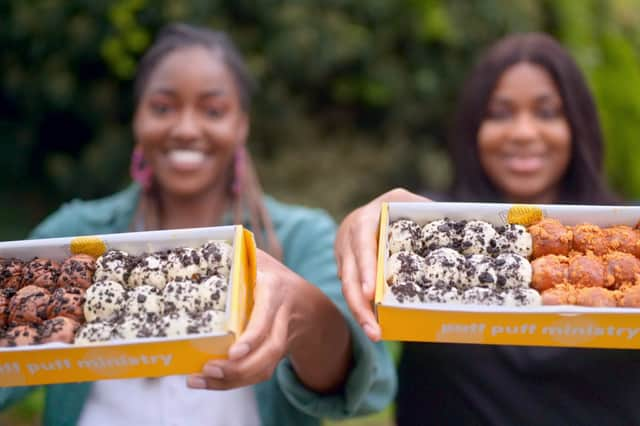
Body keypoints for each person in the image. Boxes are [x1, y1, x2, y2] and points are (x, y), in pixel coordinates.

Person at [0, 23, 395, 426]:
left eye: (212, 110)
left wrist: (305, 317)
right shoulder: (76, 239)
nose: (186, 129)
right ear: (137, 118)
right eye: (163, 107)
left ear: (242, 124)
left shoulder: (298, 238)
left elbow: (371, 387)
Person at [335, 32, 638, 425]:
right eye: (500, 113)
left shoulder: (624, 239)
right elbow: (354, 363)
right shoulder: (428, 226)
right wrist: (359, 229)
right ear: (472, 127)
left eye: (547, 113)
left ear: (578, 125)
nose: (524, 133)